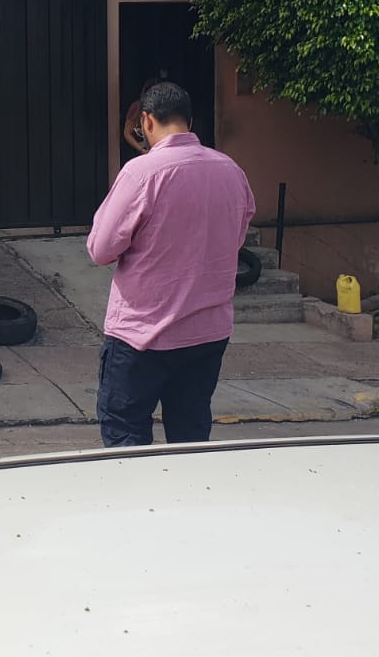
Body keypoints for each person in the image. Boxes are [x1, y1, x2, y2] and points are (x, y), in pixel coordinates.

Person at [87, 81, 257, 447]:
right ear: (190, 122)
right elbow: (236, 240)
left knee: (126, 438)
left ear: (146, 121)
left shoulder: (141, 174)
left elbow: (100, 249)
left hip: (142, 337)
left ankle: (143, 504)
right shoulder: (231, 171)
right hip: (207, 335)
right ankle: (187, 501)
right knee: (190, 440)